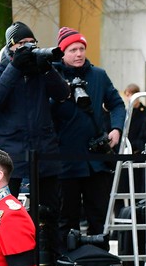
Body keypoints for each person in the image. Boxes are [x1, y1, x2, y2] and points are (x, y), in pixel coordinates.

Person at [0, 21, 69, 266]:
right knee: (8, 213)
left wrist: (45, 68)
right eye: (23, 44)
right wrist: (15, 66)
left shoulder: (40, 70)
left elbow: (63, 93)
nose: (29, 48)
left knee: (51, 212)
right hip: (11, 153)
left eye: (31, 43)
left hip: (44, 150)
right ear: (11, 47)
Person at [51, 27, 125, 252]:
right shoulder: (52, 76)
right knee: (67, 218)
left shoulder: (98, 75)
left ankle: (99, 262)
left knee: (99, 217)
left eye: (81, 48)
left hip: (96, 160)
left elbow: (117, 104)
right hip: (65, 160)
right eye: (72, 49)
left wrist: (116, 129)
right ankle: (68, 264)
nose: (78, 54)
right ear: (62, 53)